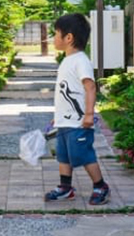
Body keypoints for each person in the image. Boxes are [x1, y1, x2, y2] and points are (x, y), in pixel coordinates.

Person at [45, 13, 111, 205]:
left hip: (80, 122)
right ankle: (65, 187)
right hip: (65, 121)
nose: (54, 38)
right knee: (63, 155)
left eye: (56, 33)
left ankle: (100, 185)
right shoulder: (67, 60)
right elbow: (66, 93)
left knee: (83, 154)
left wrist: (89, 114)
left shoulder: (81, 60)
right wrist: (56, 117)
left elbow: (90, 87)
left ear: (69, 37)